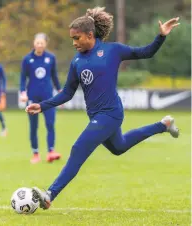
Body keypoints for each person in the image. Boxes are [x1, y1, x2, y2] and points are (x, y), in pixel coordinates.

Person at [25, 7, 180, 209]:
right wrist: (43, 106)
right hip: (96, 116)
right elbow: (67, 93)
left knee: (78, 148)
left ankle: (49, 195)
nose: (73, 43)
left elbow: (146, 52)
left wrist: (160, 36)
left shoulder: (113, 50)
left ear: (90, 35)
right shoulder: (77, 61)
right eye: (72, 38)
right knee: (119, 147)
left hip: (111, 113)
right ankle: (163, 125)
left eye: (77, 38)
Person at [20, 33, 62, 164]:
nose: (39, 45)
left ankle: (51, 152)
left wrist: (60, 91)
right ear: (34, 43)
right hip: (32, 96)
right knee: (34, 126)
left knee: (50, 124)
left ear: (45, 44)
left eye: (42, 43)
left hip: (48, 97)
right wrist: (22, 92)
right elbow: (22, 77)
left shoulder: (51, 58)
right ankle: (35, 153)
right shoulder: (27, 59)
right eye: (37, 42)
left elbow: (54, 76)